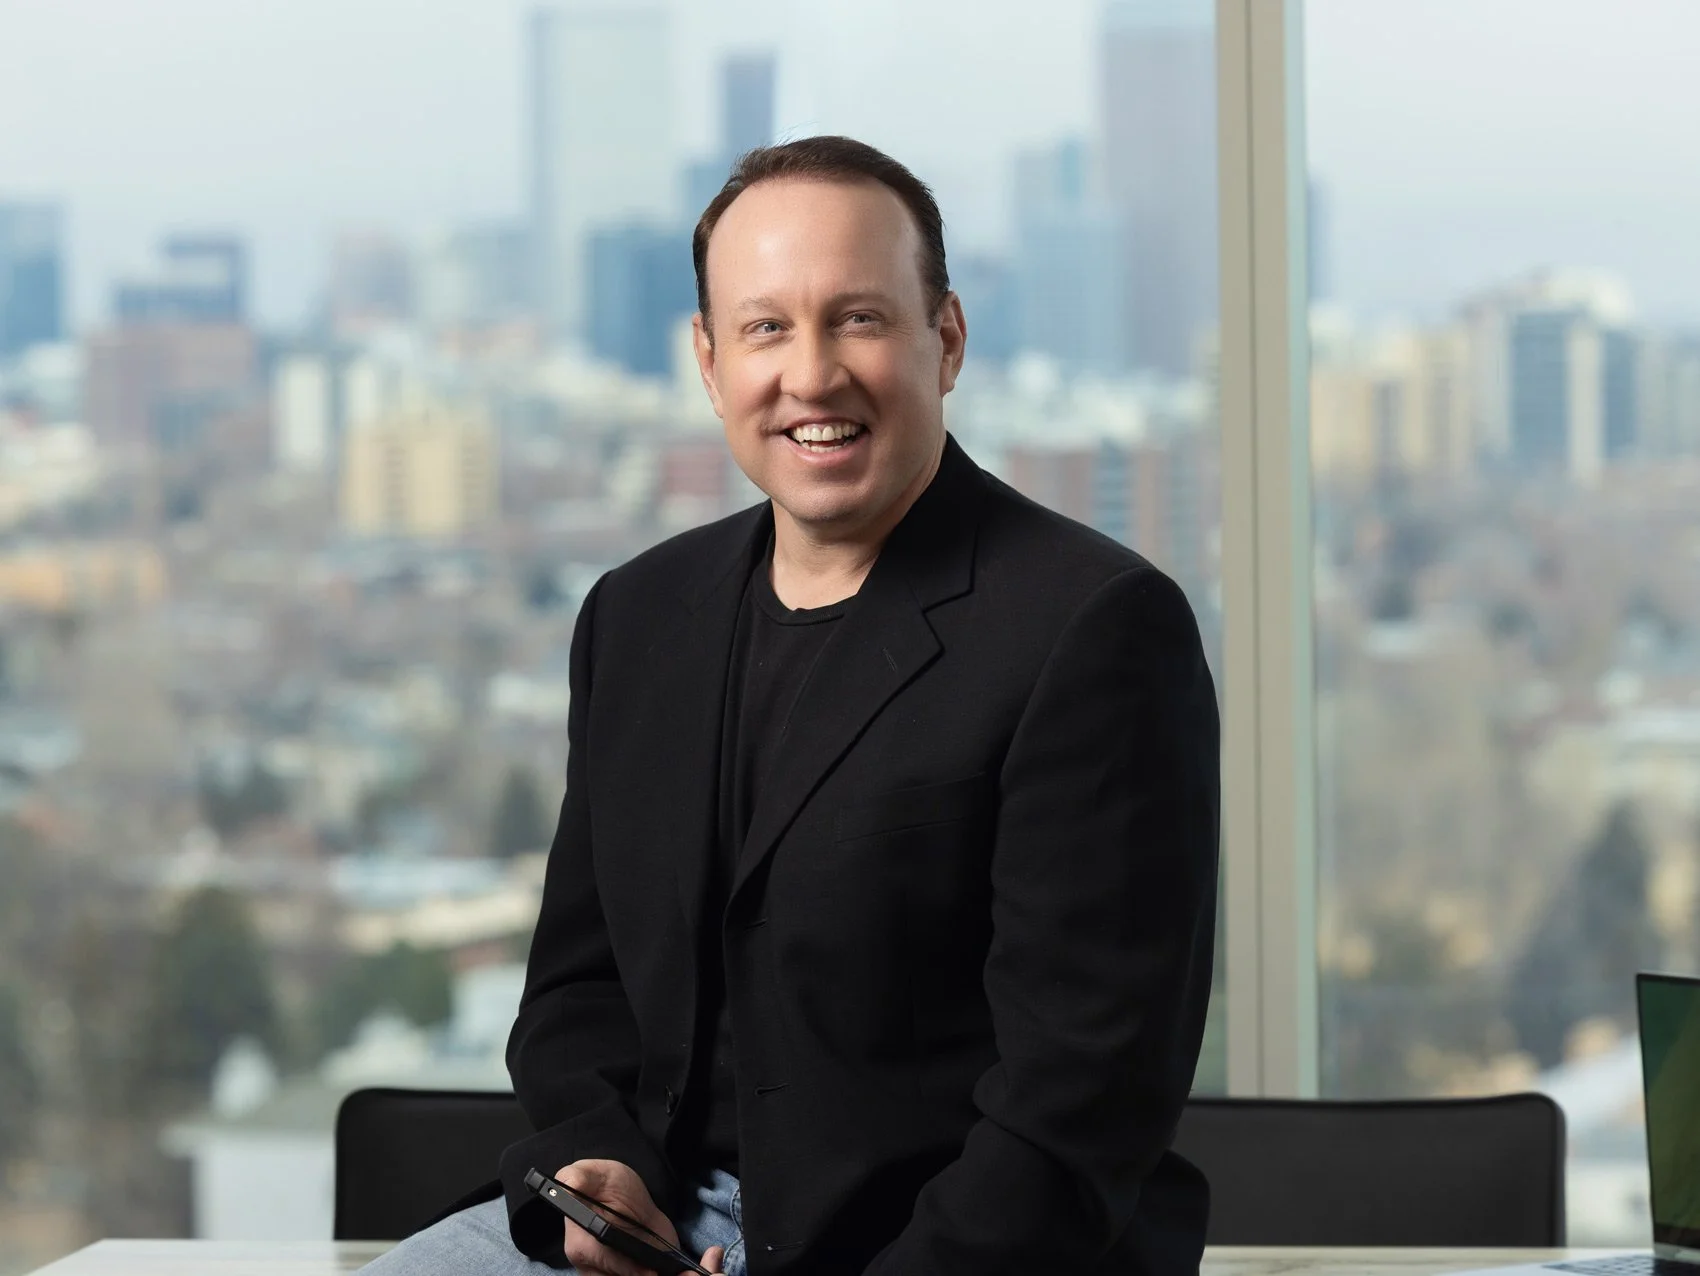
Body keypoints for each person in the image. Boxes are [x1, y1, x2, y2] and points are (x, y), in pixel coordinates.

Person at [363, 134, 1219, 1276]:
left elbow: (1076, 1107)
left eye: (857, 318)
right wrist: (597, 1165)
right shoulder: (637, 615)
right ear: (710, 363)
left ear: (945, 340)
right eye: (765, 327)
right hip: (655, 1232)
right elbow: (577, 990)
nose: (810, 375)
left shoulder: (1092, 628)